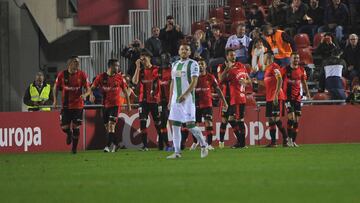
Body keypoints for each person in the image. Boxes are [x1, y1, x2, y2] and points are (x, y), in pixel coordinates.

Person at [166, 43, 209, 159]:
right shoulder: (174, 64)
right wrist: (170, 100)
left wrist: (185, 95)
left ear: (190, 52)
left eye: (186, 49)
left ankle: (204, 145)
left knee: (190, 126)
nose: (184, 51)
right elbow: (173, 83)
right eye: (182, 49)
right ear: (179, 51)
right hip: (176, 100)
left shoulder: (193, 64)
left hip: (188, 99)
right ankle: (177, 152)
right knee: (175, 126)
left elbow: (194, 82)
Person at [183, 58, 228, 150]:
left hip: (207, 104)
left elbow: (218, 89)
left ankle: (209, 144)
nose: (200, 66)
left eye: (202, 64)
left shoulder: (210, 77)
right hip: (195, 104)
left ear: (205, 65)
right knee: (194, 124)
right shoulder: (193, 77)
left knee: (209, 122)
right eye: (198, 64)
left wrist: (224, 101)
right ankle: (196, 142)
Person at [91, 59, 131, 153]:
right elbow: (92, 87)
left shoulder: (120, 78)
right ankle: (116, 144)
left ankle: (107, 146)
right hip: (105, 105)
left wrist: (128, 104)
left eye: (118, 65)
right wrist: (91, 94)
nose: (118, 67)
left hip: (116, 105)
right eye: (116, 66)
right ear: (111, 66)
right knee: (108, 127)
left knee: (111, 125)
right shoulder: (101, 77)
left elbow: (125, 91)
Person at [53, 56, 91, 154]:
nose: (78, 64)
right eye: (75, 62)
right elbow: (55, 88)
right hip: (66, 106)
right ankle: (69, 134)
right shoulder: (62, 74)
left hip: (78, 106)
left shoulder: (82, 74)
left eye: (78, 62)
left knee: (76, 128)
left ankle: (74, 149)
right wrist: (55, 100)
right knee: (64, 127)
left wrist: (85, 94)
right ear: (69, 63)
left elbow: (88, 89)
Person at [218, 50, 251, 148]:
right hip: (226, 96)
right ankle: (224, 142)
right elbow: (220, 79)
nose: (233, 57)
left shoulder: (240, 65)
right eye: (231, 55)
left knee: (236, 119)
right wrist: (227, 69)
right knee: (227, 120)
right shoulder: (222, 66)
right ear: (227, 56)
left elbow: (248, 79)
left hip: (236, 96)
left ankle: (241, 142)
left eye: (234, 55)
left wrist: (246, 81)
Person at [132, 50, 161, 151]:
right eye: (141, 59)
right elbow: (135, 81)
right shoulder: (140, 71)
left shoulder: (156, 69)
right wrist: (137, 67)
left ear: (149, 58)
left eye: (144, 58)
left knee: (158, 122)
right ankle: (145, 146)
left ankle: (161, 143)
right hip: (143, 100)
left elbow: (158, 82)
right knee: (142, 122)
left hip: (154, 100)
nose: (143, 61)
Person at [283, 53, 311, 147]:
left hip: (298, 98)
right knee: (291, 118)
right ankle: (289, 139)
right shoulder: (285, 69)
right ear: (291, 59)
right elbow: (279, 81)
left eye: (298, 58)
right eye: (294, 58)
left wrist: (308, 93)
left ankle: (293, 141)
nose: (296, 59)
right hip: (288, 98)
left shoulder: (301, 70)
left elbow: (304, 82)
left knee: (296, 121)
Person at [263, 51, 289, 147]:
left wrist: (276, 95)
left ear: (268, 57)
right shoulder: (267, 69)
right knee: (270, 119)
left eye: (264, 57)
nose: (263, 59)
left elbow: (280, 79)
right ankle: (273, 142)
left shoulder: (275, 66)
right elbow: (269, 83)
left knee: (276, 119)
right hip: (269, 97)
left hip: (276, 96)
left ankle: (286, 138)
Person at [158, 53, 173, 151]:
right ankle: (167, 145)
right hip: (161, 101)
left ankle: (178, 143)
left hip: (173, 101)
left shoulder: (173, 70)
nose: (165, 60)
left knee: (174, 123)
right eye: (164, 59)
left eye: (166, 58)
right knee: (163, 123)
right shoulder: (159, 71)